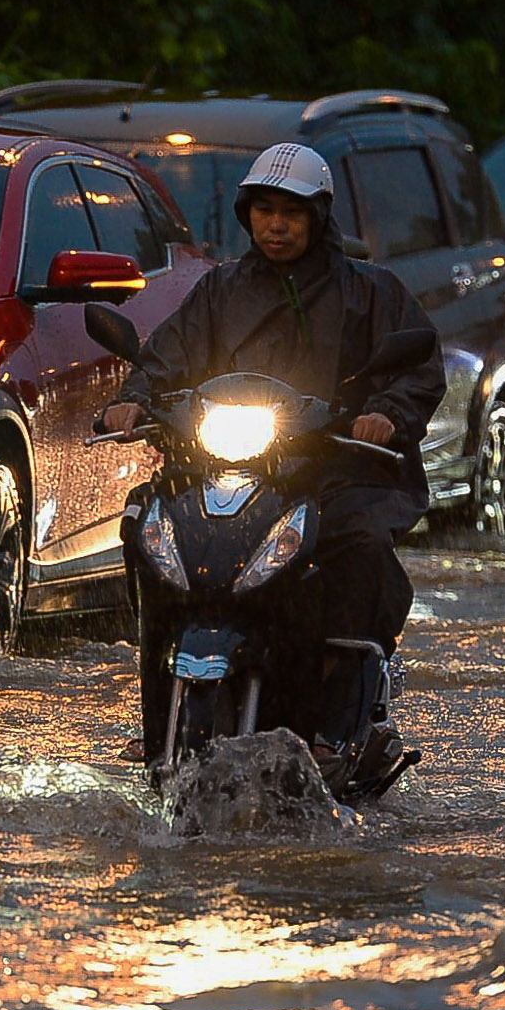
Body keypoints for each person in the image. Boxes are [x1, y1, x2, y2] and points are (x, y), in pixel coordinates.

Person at [101, 141, 446, 769]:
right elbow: (164, 357)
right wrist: (136, 400)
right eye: (263, 211)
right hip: (231, 468)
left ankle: (340, 719)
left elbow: (417, 369)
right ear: (246, 215)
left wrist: (385, 417)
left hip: (336, 472)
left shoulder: (370, 291)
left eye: (291, 211)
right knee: (145, 520)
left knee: (359, 545)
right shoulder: (220, 290)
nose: (276, 224)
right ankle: (158, 706)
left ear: (319, 217)